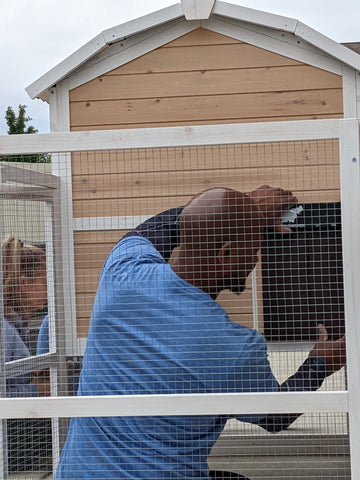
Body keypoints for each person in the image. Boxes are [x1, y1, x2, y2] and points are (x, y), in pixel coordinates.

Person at [55, 186, 346, 480]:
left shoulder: (121, 275)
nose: (256, 260)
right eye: (254, 249)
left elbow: (152, 230)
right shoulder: (231, 347)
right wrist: (320, 363)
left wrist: (248, 207)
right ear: (227, 254)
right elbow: (275, 416)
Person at [2, 236, 51, 472]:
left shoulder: (15, 324)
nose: (50, 293)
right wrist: (37, 391)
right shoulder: (4, 329)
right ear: (25, 283)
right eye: (45, 283)